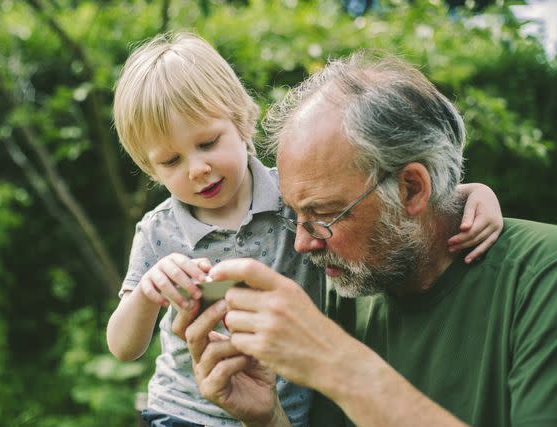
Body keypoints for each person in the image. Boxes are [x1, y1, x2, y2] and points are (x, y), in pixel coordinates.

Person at [107, 34, 503, 427]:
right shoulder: (159, 231)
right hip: (183, 414)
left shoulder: (293, 197)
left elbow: (393, 196)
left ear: (241, 120)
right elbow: (124, 347)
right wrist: (147, 294)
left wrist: (473, 194)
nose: (197, 168)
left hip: (288, 414)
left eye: (208, 142)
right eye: (171, 161)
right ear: (150, 168)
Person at [177, 50, 557, 427]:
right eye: (296, 217)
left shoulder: (542, 276)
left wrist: (335, 362)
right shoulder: (350, 285)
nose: (302, 245)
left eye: (324, 215)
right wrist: (266, 417)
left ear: (411, 189)